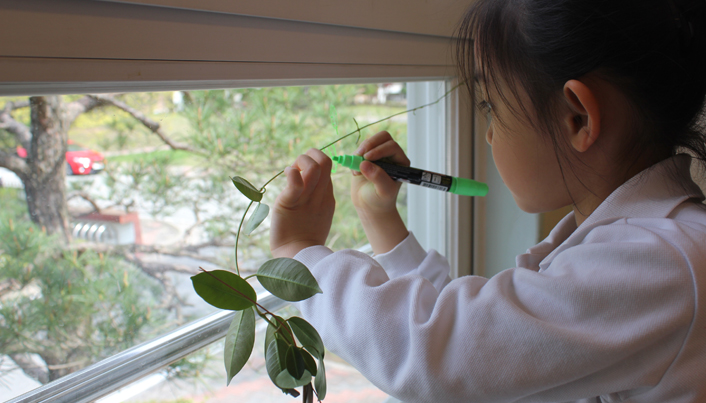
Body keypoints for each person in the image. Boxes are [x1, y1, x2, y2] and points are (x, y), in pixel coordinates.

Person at [269, 0, 706, 401]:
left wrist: (302, 256)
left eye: (490, 105)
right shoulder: (646, 247)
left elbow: (443, 356)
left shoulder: (659, 263)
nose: (489, 134)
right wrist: (380, 216)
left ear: (578, 117)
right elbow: (494, 343)